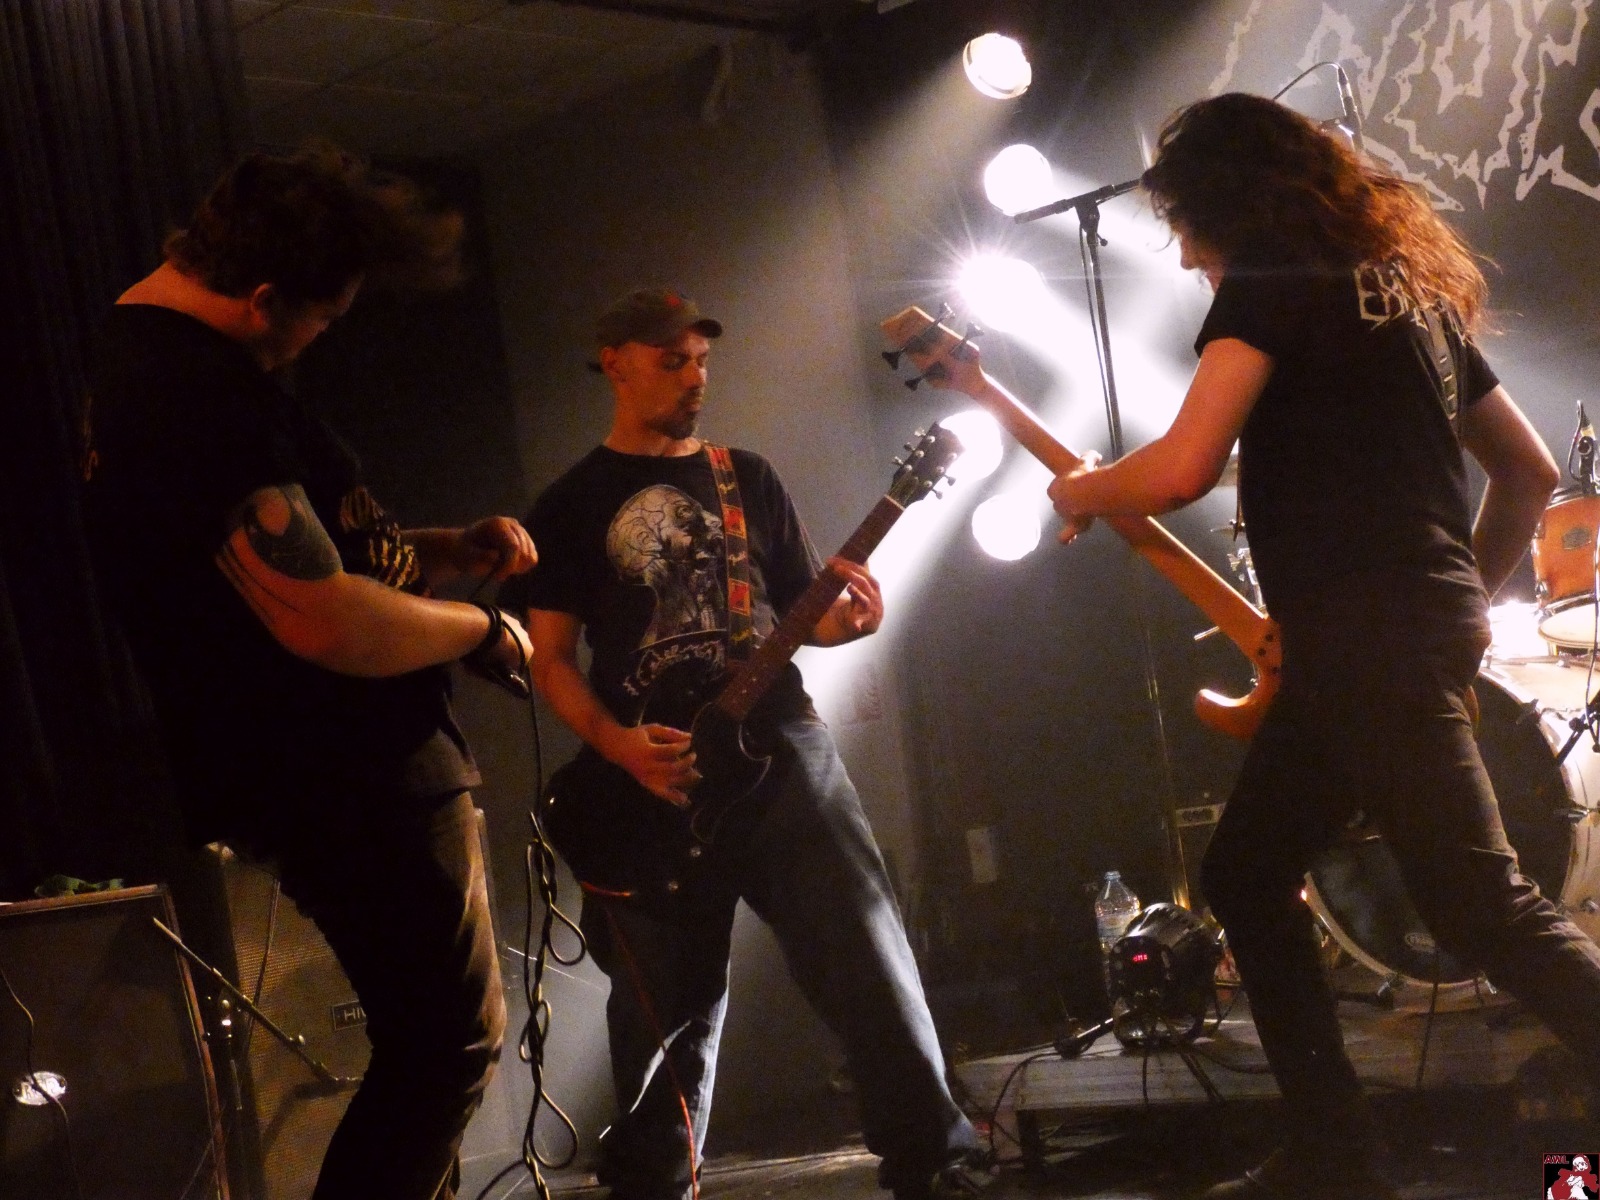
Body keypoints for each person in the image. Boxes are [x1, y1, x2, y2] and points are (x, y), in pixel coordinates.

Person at [1047, 93, 1600, 1199]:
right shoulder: (1407, 294)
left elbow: (1182, 467)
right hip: (1388, 630)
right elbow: (1529, 471)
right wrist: (1458, 599)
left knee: (1481, 905)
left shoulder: (1270, 281)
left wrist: (1079, 490)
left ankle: (1337, 1151)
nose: (1186, 255)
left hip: (1365, 634)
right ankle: (1334, 1151)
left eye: (1186, 226)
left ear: (1221, 203)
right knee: (1247, 873)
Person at [82, 147, 537, 1200]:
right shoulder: (191, 388)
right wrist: (478, 627)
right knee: (444, 1045)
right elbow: (320, 619)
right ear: (262, 299)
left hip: (334, 767)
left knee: (439, 1042)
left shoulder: (154, 364)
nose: (319, 340)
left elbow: (288, 565)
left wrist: (429, 551)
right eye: (323, 319)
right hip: (347, 770)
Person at [503, 288, 980, 1200]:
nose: (694, 378)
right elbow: (551, 657)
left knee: (868, 958)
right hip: (653, 776)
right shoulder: (569, 503)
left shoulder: (744, 477)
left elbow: (803, 610)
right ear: (616, 362)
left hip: (780, 748)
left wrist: (850, 623)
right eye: (672, 360)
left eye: (702, 361)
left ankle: (940, 1163)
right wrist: (618, 746)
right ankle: (653, 1187)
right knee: (663, 1018)